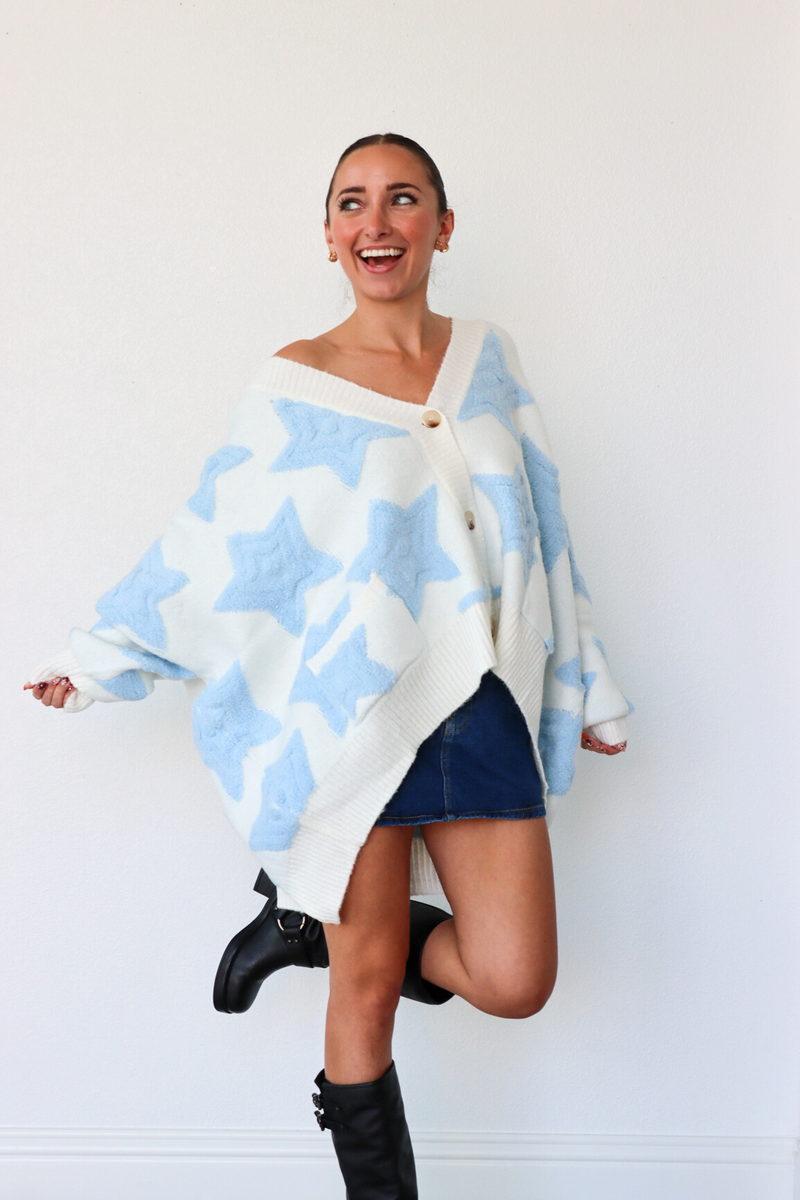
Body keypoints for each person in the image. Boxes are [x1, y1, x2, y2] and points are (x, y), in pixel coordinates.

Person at [25, 133, 630, 1200]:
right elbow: (216, 546)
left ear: (441, 228)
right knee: (363, 986)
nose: (375, 222)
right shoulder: (294, 381)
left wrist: (584, 678)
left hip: (475, 699)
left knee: (513, 977)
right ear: (328, 237)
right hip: (347, 717)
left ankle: (301, 924)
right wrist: (103, 657)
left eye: (402, 201)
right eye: (352, 203)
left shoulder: (488, 357)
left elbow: (539, 519)